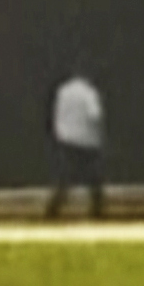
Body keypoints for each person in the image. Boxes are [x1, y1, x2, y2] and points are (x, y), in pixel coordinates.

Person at [49, 69, 106, 221]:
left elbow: (57, 114)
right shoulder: (89, 92)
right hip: (86, 141)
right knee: (94, 178)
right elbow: (95, 115)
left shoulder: (63, 91)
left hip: (66, 139)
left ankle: (53, 209)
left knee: (65, 177)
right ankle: (97, 211)